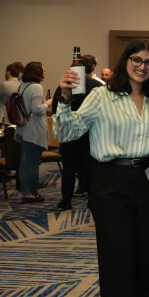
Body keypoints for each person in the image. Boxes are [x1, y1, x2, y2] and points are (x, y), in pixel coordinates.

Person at [53, 38, 149, 297]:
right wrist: (63, 98)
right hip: (112, 183)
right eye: (136, 60)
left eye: (148, 62)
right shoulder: (102, 96)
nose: (142, 66)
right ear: (124, 61)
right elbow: (67, 133)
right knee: (119, 267)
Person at [51, 56, 102, 210]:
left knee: (68, 169)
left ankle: (66, 200)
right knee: (91, 168)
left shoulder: (65, 86)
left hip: (68, 135)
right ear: (92, 68)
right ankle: (92, 200)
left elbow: (56, 107)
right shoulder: (98, 86)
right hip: (91, 135)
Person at [14, 62, 52, 203]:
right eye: (43, 70)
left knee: (24, 163)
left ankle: (26, 191)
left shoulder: (22, 85)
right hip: (33, 130)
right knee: (32, 163)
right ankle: (31, 193)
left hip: (23, 128)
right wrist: (48, 103)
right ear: (37, 72)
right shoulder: (37, 87)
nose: (45, 72)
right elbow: (36, 109)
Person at [0, 62, 24, 127]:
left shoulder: (4, 85)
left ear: (9, 72)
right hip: (15, 117)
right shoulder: (21, 86)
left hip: (2, 117)